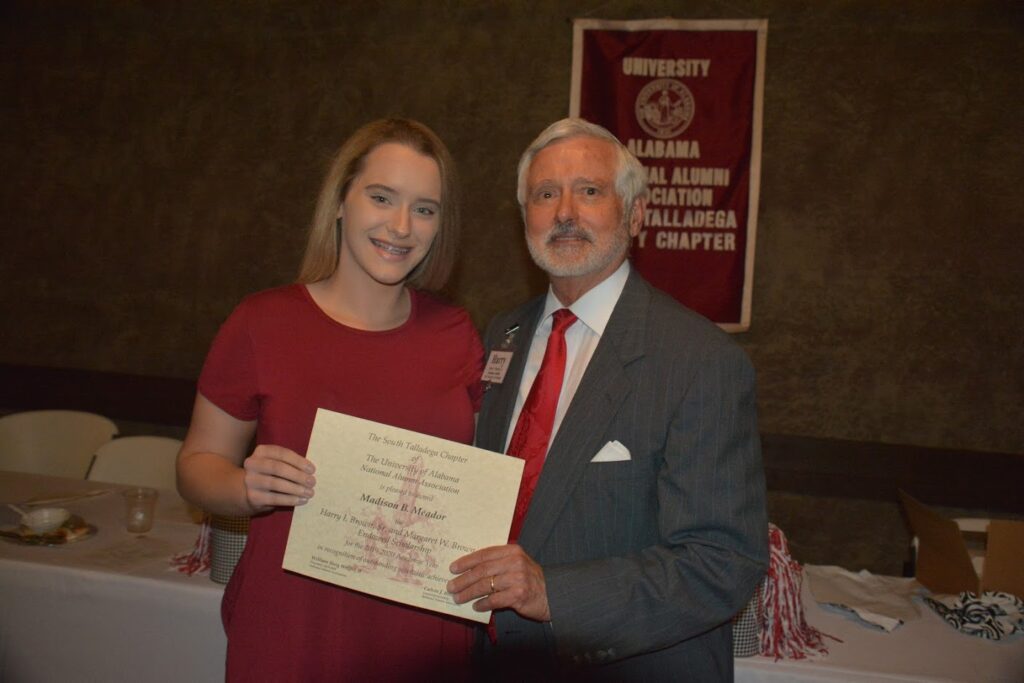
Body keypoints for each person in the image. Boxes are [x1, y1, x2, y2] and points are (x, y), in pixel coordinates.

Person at [446, 118, 768, 681]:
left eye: (589, 191)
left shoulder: (701, 361)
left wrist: (556, 595)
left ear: (636, 215)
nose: (565, 212)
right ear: (525, 217)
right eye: (545, 194)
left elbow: (723, 562)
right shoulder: (505, 334)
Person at [176, 118, 483, 682]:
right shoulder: (262, 323)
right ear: (341, 201)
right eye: (381, 197)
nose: (400, 225)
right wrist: (245, 487)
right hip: (294, 623)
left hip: (417, 629)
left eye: (424, 208)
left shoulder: (457, 333)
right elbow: (195, 466)